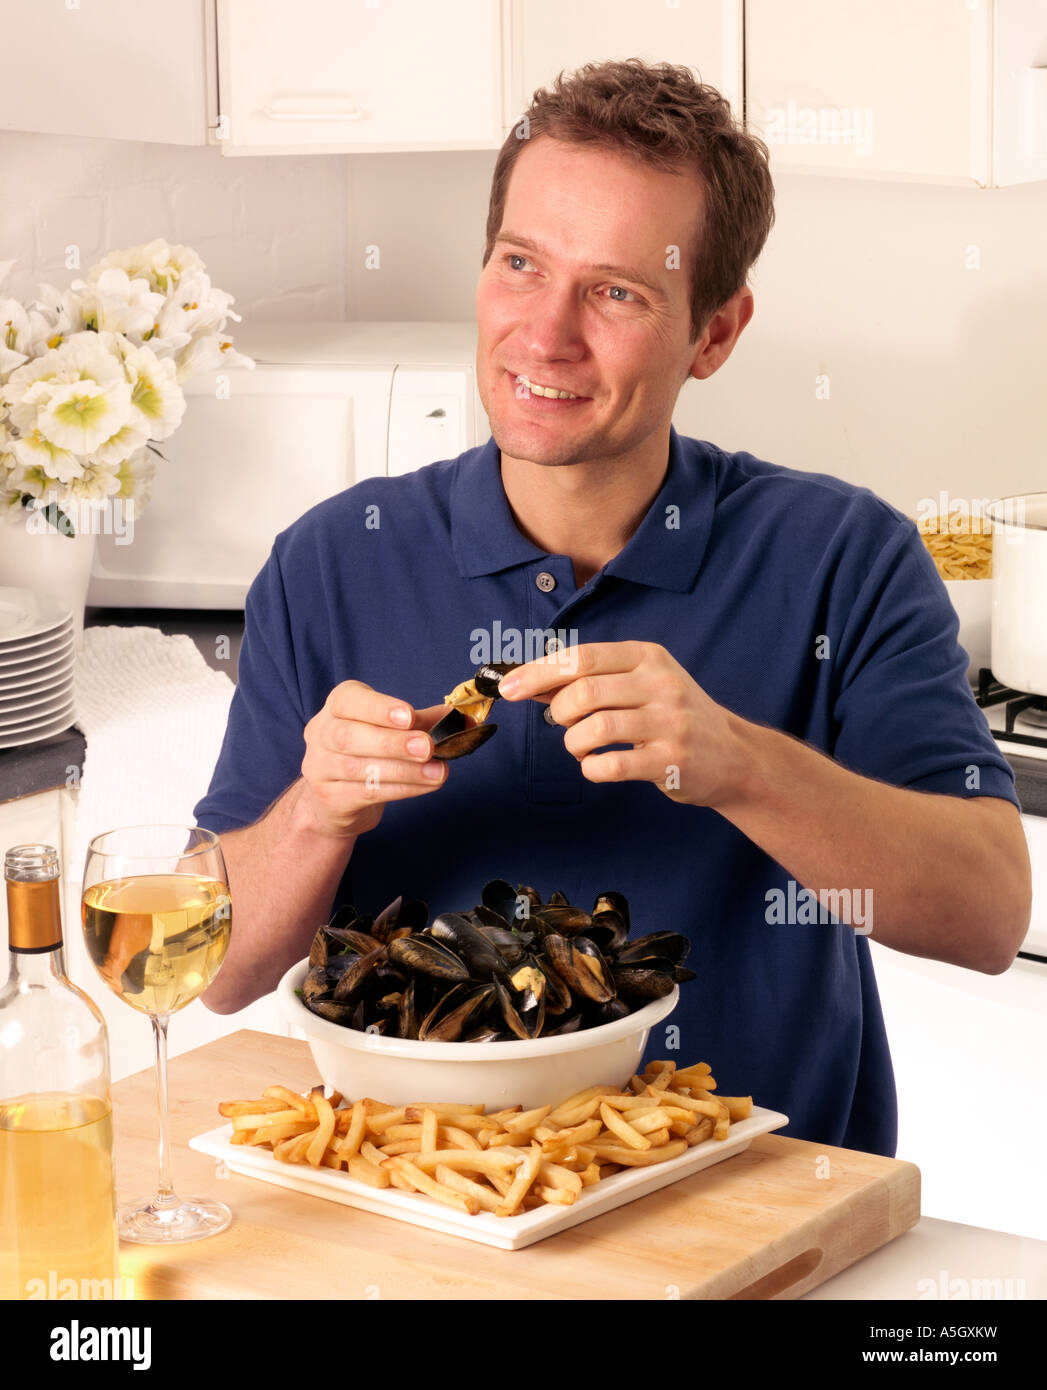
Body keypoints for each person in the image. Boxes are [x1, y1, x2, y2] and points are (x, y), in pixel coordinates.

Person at [195, 59, 1031, 1157]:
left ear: (715, 334)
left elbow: (988, 915)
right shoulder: (329, 561)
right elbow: (213, 969)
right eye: (521, 264)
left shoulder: (844, 557)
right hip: (419, 1207)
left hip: (760, 1218)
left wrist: (737, 760)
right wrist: (315, 811)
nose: (546, 335)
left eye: (617, 291)